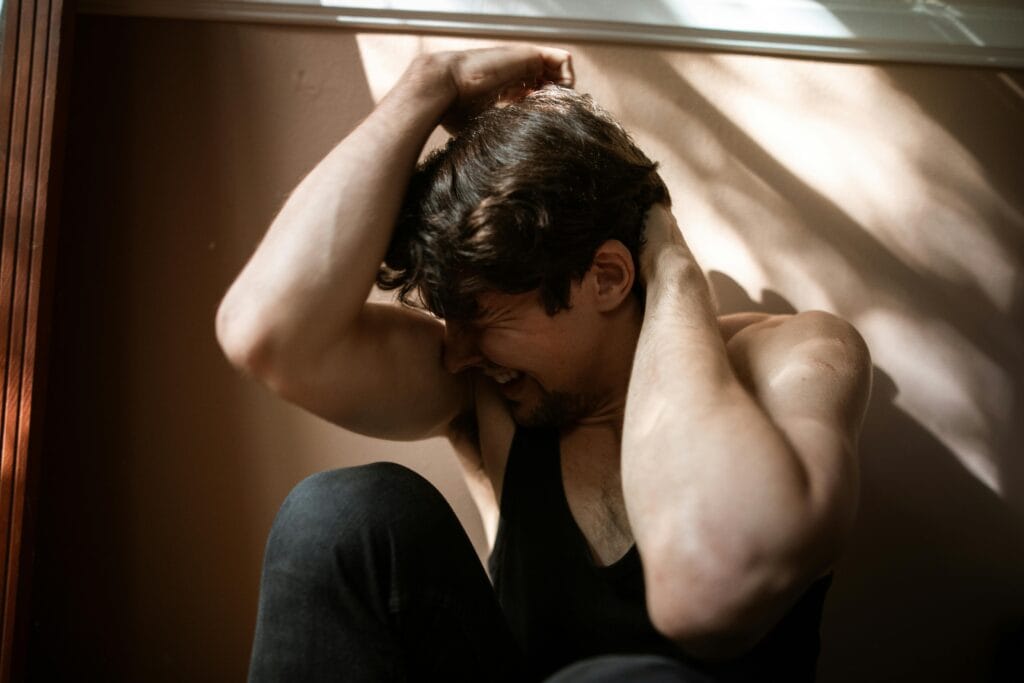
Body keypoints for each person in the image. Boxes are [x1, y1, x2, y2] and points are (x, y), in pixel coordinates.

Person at [216, 45, 872, 682]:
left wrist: (670, 261)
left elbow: (705, 588)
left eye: (485, 315)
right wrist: (429, 82)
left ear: (609, 275)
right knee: (335, 514)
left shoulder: (796, 360)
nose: (455, 349)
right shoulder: (489, 397)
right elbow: (268, 334)